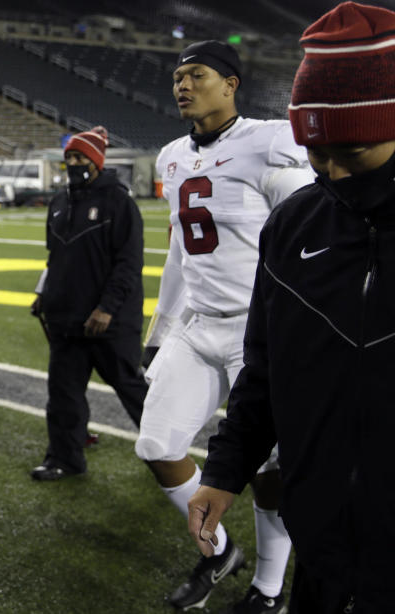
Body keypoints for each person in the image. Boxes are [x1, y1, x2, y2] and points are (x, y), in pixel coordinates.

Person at [189, 3, 395, 612]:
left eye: (351, 151)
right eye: (314, 148)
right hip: (323, 549)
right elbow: (266, 366)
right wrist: (226, 469)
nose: (329, 169)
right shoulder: (293, 223)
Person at [136, 41, 314, 612]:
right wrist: (161, 328)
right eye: (177, 77)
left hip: (257, 333)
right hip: (200, 323)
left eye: (196, 74)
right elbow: (179, 253)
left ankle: (268, 588)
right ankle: (221, 554)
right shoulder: (170, 156)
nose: (182, 85)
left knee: (267, 471)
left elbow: (307, 237)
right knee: (157, 444)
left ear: (230, 84)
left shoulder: (268, 142)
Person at [30, 126, 147, 480]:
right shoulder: (60, 202)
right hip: (66, 318)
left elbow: (129, 263)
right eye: (69, 157)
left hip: (109, 322)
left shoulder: (119, 203)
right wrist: (43, 293)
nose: (75, 163)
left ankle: (166, 449)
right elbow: (55, 258)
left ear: (97, 161)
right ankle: (65, 458)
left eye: (81, 157)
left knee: (132, 389)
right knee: (63, 394)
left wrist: (107, 308)